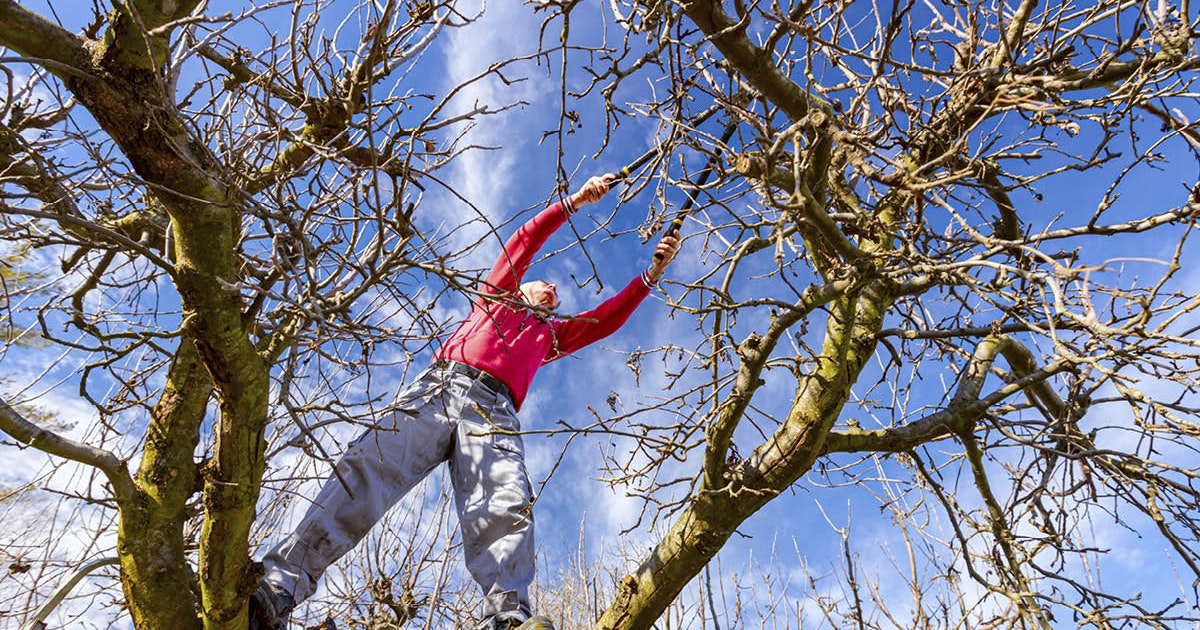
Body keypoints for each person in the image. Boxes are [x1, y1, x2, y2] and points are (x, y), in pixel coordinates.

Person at [250, 173, 682, 630]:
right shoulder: (496, 297)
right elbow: (525, 238)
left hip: (493, 412)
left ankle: (507, 617)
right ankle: (279, 586)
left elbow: (603, 321)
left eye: (557, 296)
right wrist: (576, 200)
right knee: (367, 468)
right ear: (520, 288)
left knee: (505, 502)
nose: (553, 294)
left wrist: (650, 275)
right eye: (544, 287)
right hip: (440, 388)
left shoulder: (549, 337)